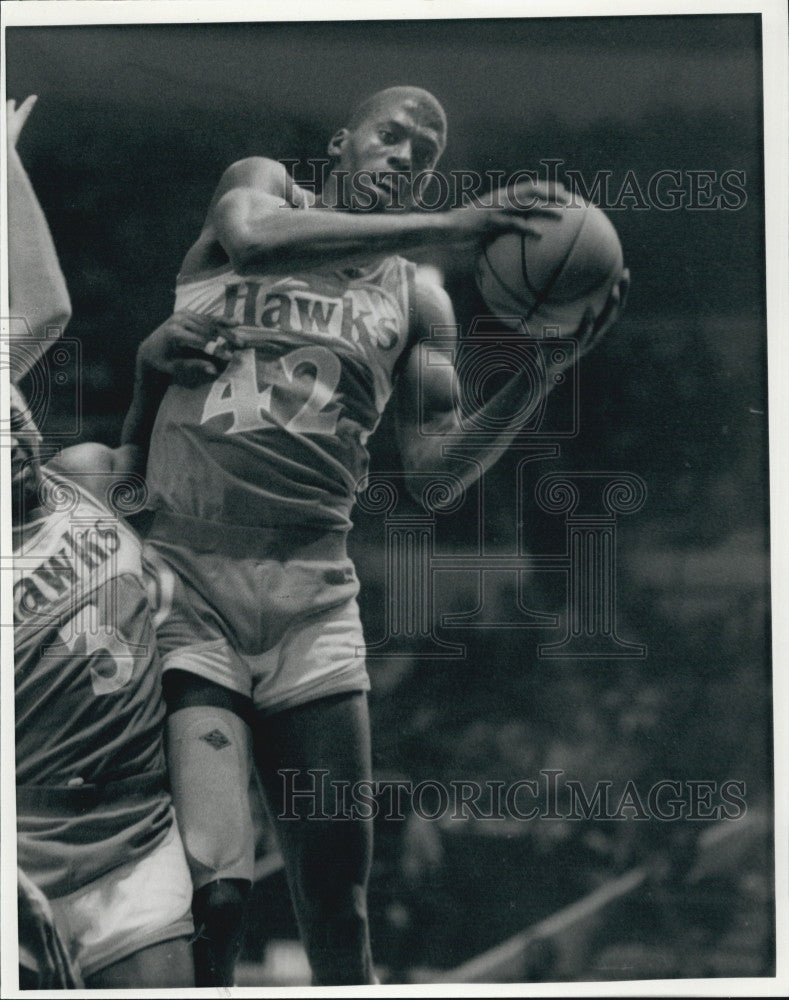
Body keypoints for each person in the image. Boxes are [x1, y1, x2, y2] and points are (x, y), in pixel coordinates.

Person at [142, 85, 629, 985]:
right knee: (215, 894)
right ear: (345, 142)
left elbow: (437, 475)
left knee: (340, 906)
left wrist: (536, 377)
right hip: (190, 585)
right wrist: (447, 220)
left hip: (311, 602)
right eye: (392, 135)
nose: (406, 155)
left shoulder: (421, 298)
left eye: (426, 151)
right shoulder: (265, 191)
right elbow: (248, 239)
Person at [7, 95, 236, 989]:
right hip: (24, 866)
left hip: (134, 847)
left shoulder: (90, 477)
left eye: (14, 415)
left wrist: (1, 160)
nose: (14, 436)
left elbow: (42, 310)